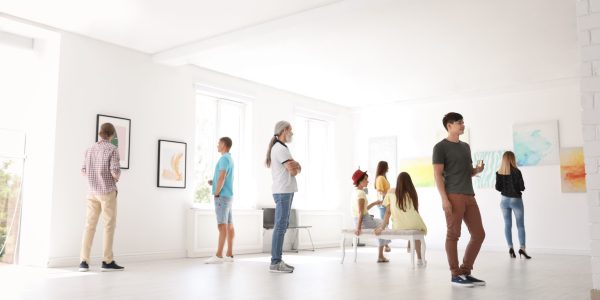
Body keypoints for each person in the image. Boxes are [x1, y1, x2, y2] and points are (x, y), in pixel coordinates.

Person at [432, 112, 486, 287]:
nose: (463, 125)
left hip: (469, 195)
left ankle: (465, 271)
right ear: (449, 125)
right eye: (459, 123)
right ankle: (455, 274)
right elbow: (438, 175)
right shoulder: (440, 147)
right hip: (453, 195)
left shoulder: (465, 147)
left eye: (463, 122)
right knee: (453, 234)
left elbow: (466, 171)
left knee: (479, 234)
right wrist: (444, 199)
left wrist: (476, 170)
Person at [79, 122, 124, 272]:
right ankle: (107, 261)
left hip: (91, 192)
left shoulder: (89, 149)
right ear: (112, 134)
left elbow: (83, 171)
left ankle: (83, 262)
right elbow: (115, 172)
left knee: (89, 226)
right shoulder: (113, 149)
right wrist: (116, 177)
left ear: (100, 133)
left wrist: (94, 175)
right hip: (107, 192)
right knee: (109, 226)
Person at [265, 121, 301, 273]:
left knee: (282, 225)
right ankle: (275, 262)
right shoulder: (280, 148)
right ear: (284, 130)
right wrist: (297, 165)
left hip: (285, 191)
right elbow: (293, 170)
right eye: (290, 130)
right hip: (283, 191)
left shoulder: (282, 148)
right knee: (280, 226)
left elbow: (294, 168)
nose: (292, 133)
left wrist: (296, 166)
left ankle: (277, 260)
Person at [375, 172, 427, 266]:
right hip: (415, 223)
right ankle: (419, 259)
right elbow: (415, 211)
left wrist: (381, 228)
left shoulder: (390, 192)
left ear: (398, 182)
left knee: (411, 228)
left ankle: (411, 245)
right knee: (418, 235)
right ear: (409, 182)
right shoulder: (412, 193)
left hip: (399, 225)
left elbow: (387, 212)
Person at [205, 137, 235, 264]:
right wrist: (214, 182)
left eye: (218, 143)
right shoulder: (230, 158)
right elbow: (223, 177)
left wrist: (217, 192)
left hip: (222, 196)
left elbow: (222, 177)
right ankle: (229, 255)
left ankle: (218, 256)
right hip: (228, 196)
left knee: (221, 225)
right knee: (229, 225)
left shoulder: (223, 159)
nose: (217, 145)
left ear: (223, 144)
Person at [495, 151, 531, 259]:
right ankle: (522, 248)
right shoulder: (517, 172)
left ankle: (510, 248)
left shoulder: (499, 172)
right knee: (520, 225)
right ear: (512, 159)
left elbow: (498, 188)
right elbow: (522, 187)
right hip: (516, 200)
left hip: (504, 200)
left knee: (507, 225)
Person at [352, 168, 391, 263]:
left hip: (359, 220)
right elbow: (361, 212)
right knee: (384, 224)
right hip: (363, 221)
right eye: (365, 179)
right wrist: (358, 228)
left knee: (381, 223)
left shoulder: (355, 192)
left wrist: (375, 203)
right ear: (360, 181)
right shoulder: (361, 193)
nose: (368, 181)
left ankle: (383, 250)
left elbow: (363, 210)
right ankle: (381, 255)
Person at [374, 161, 392, 253]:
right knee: (384, 224)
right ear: (384, 167)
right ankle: (385, 245)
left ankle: (386, 245)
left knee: (385, 223)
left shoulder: (382, 177)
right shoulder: (380, 178)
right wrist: (390, 193)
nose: (388, 168)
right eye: (387, 166)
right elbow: (380, 192)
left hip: (384, 204)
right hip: (383, 204)